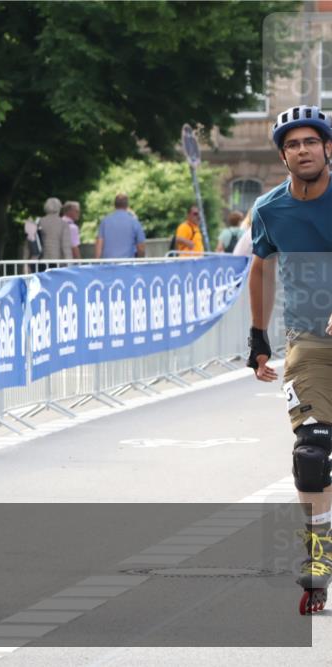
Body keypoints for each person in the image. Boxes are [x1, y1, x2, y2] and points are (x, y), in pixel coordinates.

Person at [246, 105, 332, 615]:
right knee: (312, 453)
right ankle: (319, 559)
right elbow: (261, 268)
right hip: (309, 340)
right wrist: (257, 338)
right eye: (293, 145)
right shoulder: (270, 209)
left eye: (311, 142)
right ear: (283, 156)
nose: (303, 151)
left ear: (328, 149)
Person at [95, 193, 146, 259]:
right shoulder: (134, 222)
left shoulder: (105, 221)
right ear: (127, 205)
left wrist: (97, 262)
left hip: (108, 265)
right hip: (128, 265)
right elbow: (141, 247)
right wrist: (140, 261)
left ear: (114, 205)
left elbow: (99, 244)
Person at [37, 197, 73, 265]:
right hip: (57, 261)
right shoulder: (63, 224)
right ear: (58, 208)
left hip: (40, 261)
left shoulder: (39, 222)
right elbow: (66, 247)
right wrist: (69, 264)